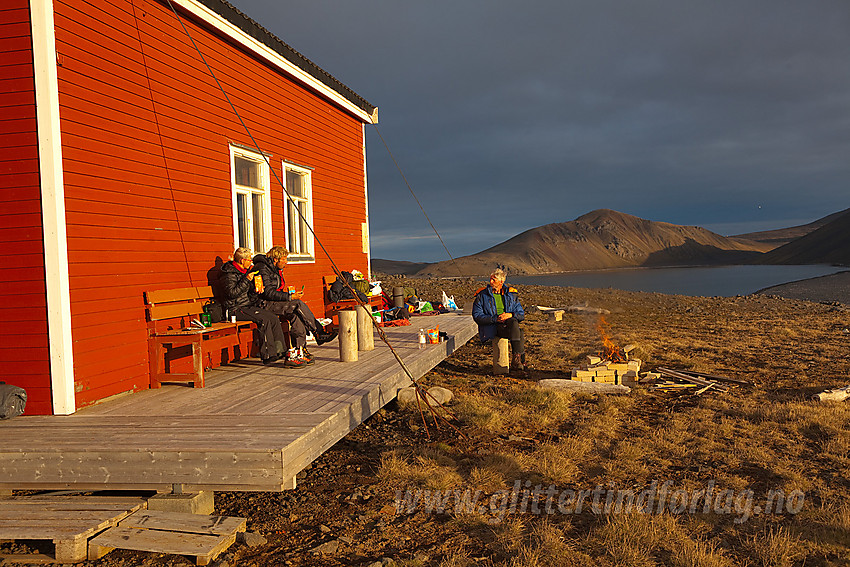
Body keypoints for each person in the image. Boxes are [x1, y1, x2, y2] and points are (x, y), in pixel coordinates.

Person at [220, 247, 304, 367]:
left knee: (273, 318)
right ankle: (267, 355)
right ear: (242, 260)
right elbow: (231, 293)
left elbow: (248, 293)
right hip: (234, 309)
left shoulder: (245, 272)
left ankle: (280, 351)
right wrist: (246, 280)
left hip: (247, 305)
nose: (250, 262)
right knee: (264, 320)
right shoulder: (229, 274)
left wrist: (257, 290)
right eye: (249, 260)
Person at [252, 246, 337, 362]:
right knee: (297, 304)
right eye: (284, 259)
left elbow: (275, 290)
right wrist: (289, 297)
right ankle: (318, 332)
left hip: (273, 302)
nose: (286, 262)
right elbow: (267, 293)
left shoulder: (274, 269)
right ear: (276, 259)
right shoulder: (262, 268)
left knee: (296, 315)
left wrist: (288, 295)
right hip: (263, 304)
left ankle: (300, 350)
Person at [472, 268, 528, 371]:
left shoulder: (511, 295)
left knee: (513, 321)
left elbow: (521, 315)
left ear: (501, 281)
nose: (491, 282)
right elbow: (477, 316)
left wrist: (510, 315)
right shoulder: (482, 295)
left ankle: (517, 361)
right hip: (493, 327)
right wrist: (495, 319)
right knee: (519, 332)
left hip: (509, 326)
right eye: (490, 279)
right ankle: (520, 361)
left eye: (494, 279)